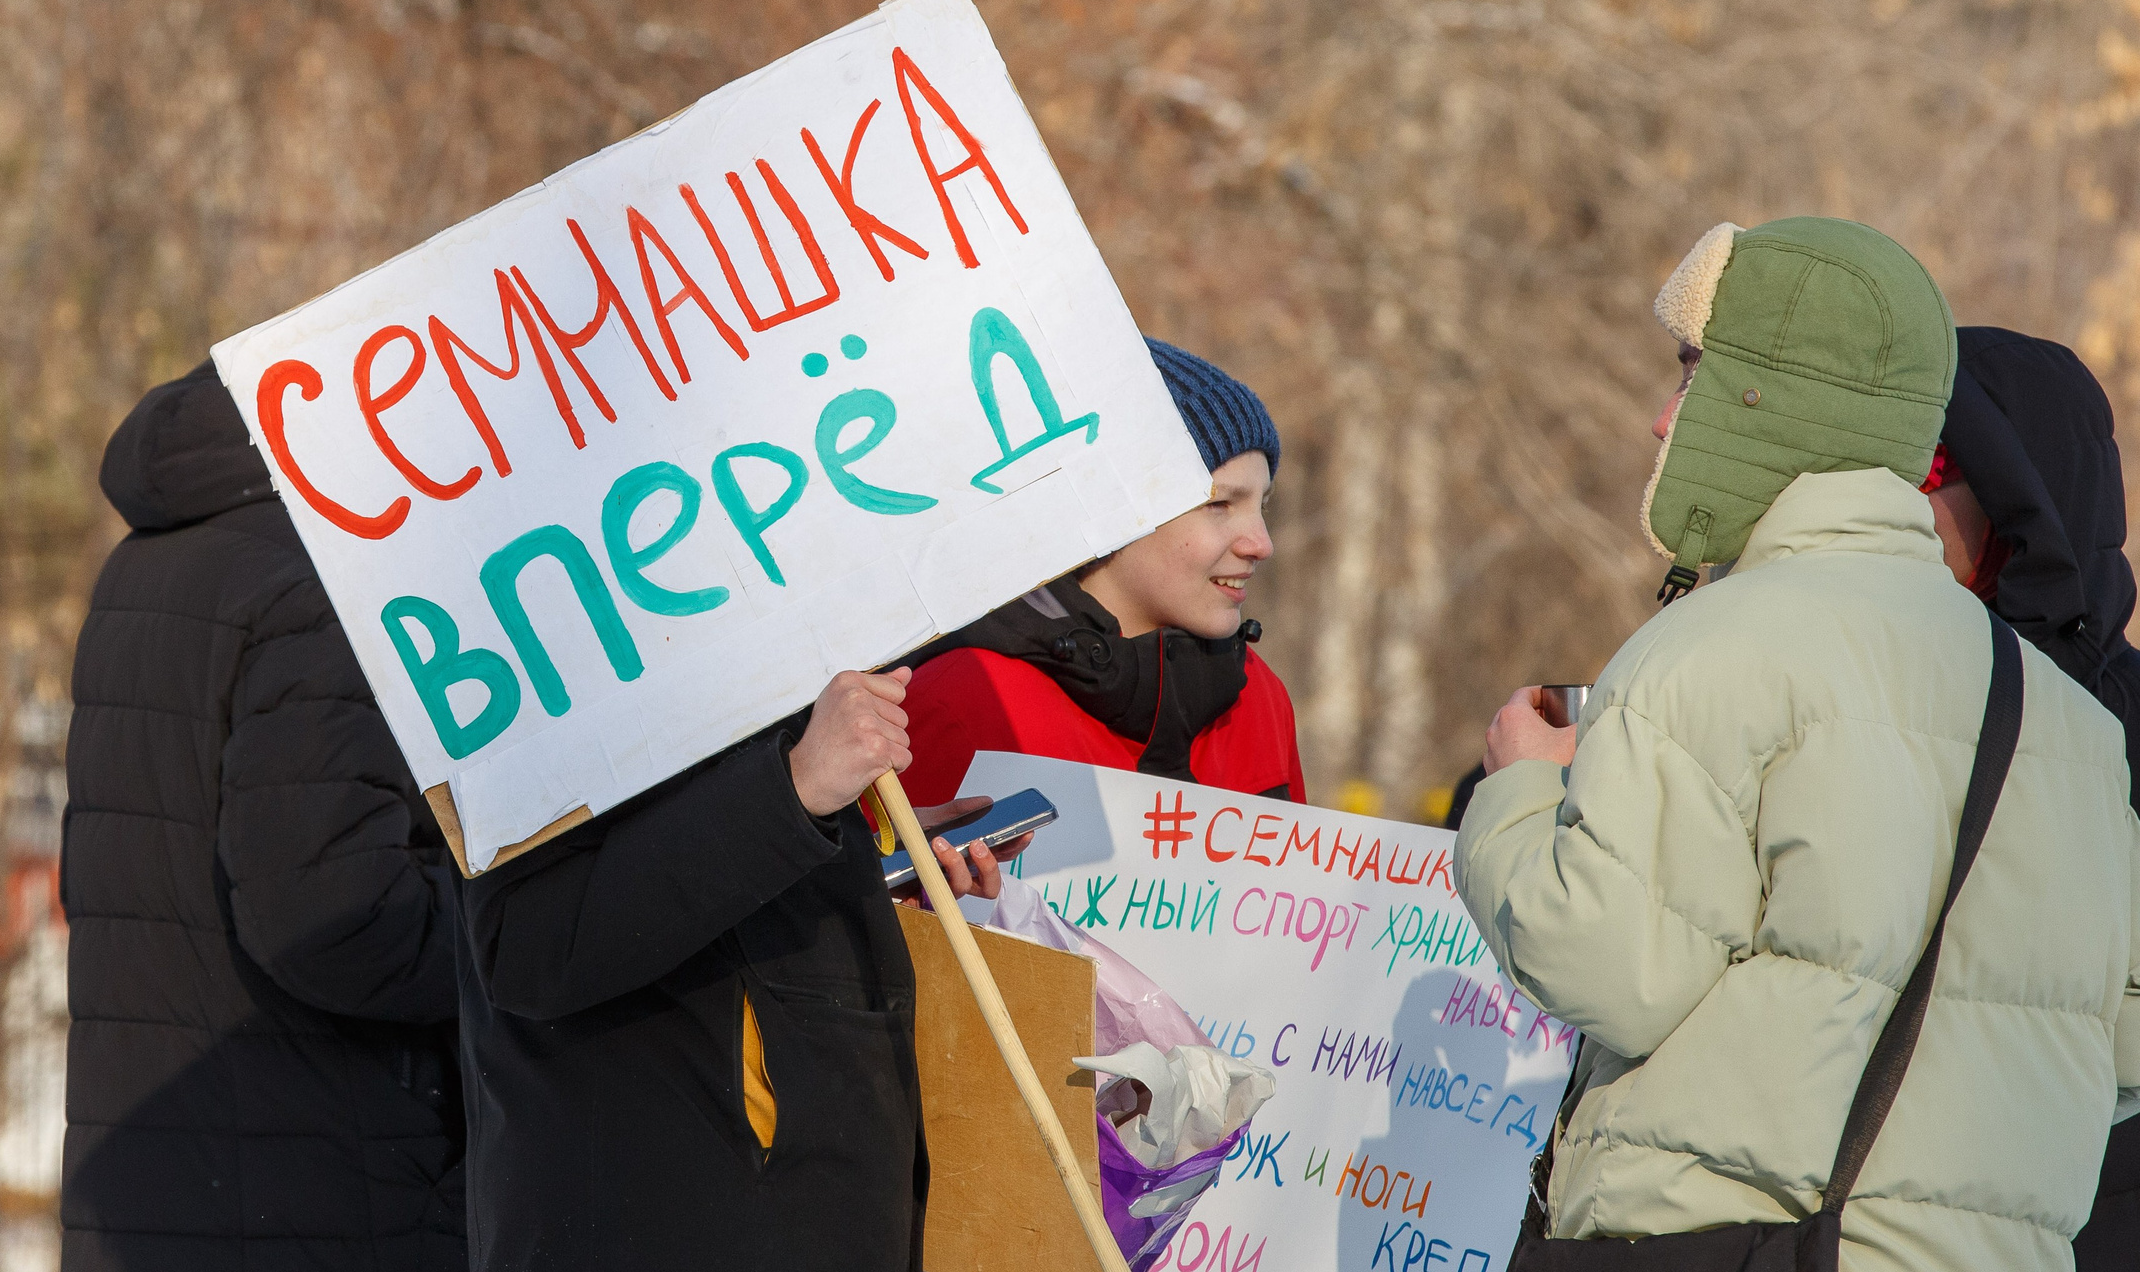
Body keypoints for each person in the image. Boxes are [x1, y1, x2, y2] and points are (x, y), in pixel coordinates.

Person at [1458, 217, 2140, 1270]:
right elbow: (2116, 1043)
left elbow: (1609, 965)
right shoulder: (2070, 721)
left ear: (1770, 398)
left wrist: (1517, 794)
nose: (1660, 418)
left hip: (1735, 1233)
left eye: (1694, 371)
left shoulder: (1714, 646)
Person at [61, 362, 470, 1269]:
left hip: (171, 1189)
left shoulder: (154, 557)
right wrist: (519, 927)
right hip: (323, 1190)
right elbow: (332, 916)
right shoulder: (320, 580)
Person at [444, 664, 1006, 1268]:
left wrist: (854, 859)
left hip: (815, 1182)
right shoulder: (545, 643)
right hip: (674, 1199)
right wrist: (798, 787)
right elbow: (527, 944)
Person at [1917, 326, 2140, 1267]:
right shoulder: (1860, 697)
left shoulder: (2120, 729)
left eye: (1930, 472)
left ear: (2024, 494)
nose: (1893, 507)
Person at [896, 338, 1306, 810]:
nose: (1262, 544)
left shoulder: (1259, 696)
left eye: (1261, 506)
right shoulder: (963, 697)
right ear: (1110, 509)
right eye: (1219, 504)